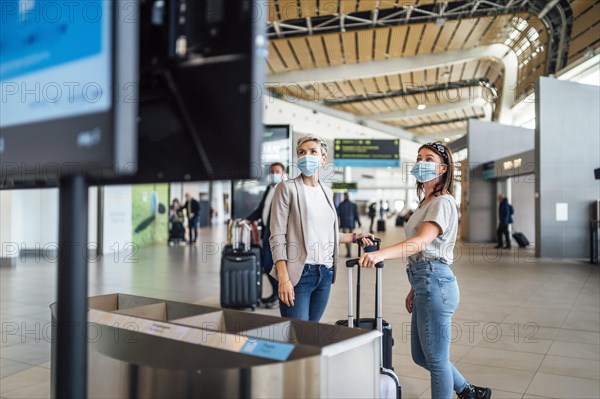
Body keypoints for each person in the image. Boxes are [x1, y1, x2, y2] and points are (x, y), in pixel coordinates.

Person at [357, 142, 491, 399]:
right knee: (421, 356)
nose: (422, 162)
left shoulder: (442, 201)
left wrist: (379, 254)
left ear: (442, 168)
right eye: (419, 157)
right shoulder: (425, 202)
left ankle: (467, 392)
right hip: (424, 283)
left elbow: (421, 243)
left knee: (438, 361)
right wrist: (413, 288)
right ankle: (467, 391)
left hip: (436, 283)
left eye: (429, 158)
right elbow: (424, 253)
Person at [269, 135, 372, 322]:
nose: (306, 156)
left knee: (313, 332)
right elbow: (277, 236)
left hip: (325, 273)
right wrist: (283, 278)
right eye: (301, 152)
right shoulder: (286, 188)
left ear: (323, 159)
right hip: (298, 274)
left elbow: (327, 233)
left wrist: (356, 237)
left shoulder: (327, 190)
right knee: (298, 336)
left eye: (312, 152)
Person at [243, 162, 287, 309]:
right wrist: (247, 219)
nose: (274, 174)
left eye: (277, 171)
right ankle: (276, 293)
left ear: (283, 173)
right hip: (266, 234)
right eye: (272, 171)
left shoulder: (286, 189)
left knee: (271, 265)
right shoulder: (269, 188)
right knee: (266, 265)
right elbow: (261, 209)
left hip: (278, 236)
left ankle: (279, 296)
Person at [337, 192, 362, 257]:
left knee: (346, 237)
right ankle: (349, 251)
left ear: (344, 196)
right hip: (351, 224)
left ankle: (348, 252)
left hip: (344, 223)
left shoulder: (341, 204)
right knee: (351, 237)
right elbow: (356, 215)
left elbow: (337, 215)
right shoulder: (353, 205)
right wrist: (359, 223)